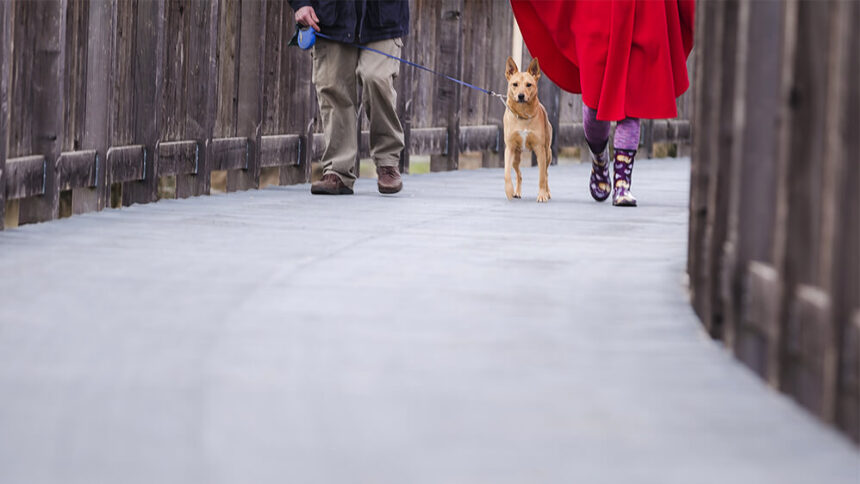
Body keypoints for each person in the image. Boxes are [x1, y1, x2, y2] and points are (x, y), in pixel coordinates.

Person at [510, 0, 694, 206]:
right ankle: (599, 159)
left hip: (644, 13)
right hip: (597, 16)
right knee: (594, 107)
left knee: (632, 103)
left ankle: (622, 185)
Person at [289, 0, 409, 195]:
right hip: (330, 15)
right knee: (333, 87)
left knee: (376, 78)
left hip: (383, 15)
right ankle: (337, 170)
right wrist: (300, 3)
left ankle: (387, 162)